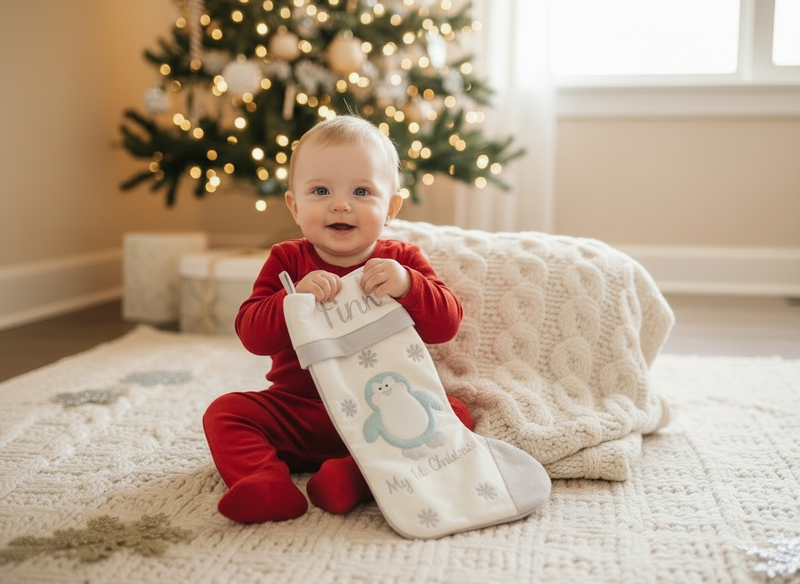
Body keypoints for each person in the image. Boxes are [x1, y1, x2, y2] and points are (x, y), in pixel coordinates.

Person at [202, 115, 473, 524]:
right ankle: (265, 483)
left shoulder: (402, 261)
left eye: (362, 191)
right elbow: (252, 335)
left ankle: (352, 477)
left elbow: (446, 324)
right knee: (226, 413)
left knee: (454, 414)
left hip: (380, 417)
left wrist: (408, 285)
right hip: (298, 412)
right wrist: (291, 300)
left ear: (390, 208)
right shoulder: (287, 261)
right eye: (321, 190)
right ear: (295, 206)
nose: (340, 204)